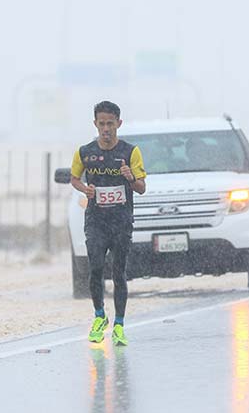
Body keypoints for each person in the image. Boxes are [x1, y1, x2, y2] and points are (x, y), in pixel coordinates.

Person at [70, 100, 147, 346]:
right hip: (96, 221)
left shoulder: (130, 152)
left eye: (110, 124)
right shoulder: (84, 152)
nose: (106, 129)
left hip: (121, 221)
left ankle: (120, 325)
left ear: (119, 124)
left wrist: (131, 177)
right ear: (95, 124)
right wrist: (85, 189)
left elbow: (141, 188)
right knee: (95, 269)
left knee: (119, 273)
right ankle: (99, 316)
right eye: (101, 124)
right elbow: (74, 178)